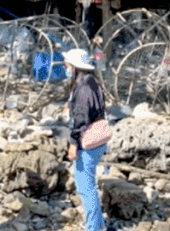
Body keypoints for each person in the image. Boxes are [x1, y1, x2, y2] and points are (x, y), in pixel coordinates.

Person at [64, 48, 111, 231]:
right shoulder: (92, 82)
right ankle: (99, 225)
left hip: (87, 143)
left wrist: (73, 144)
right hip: (98, 140)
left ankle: (93, 228)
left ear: (75, 67)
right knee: (89, 185)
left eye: (68, 65)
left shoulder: (82, 87)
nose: (66, 68)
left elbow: (80, 120)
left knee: (85, 188)